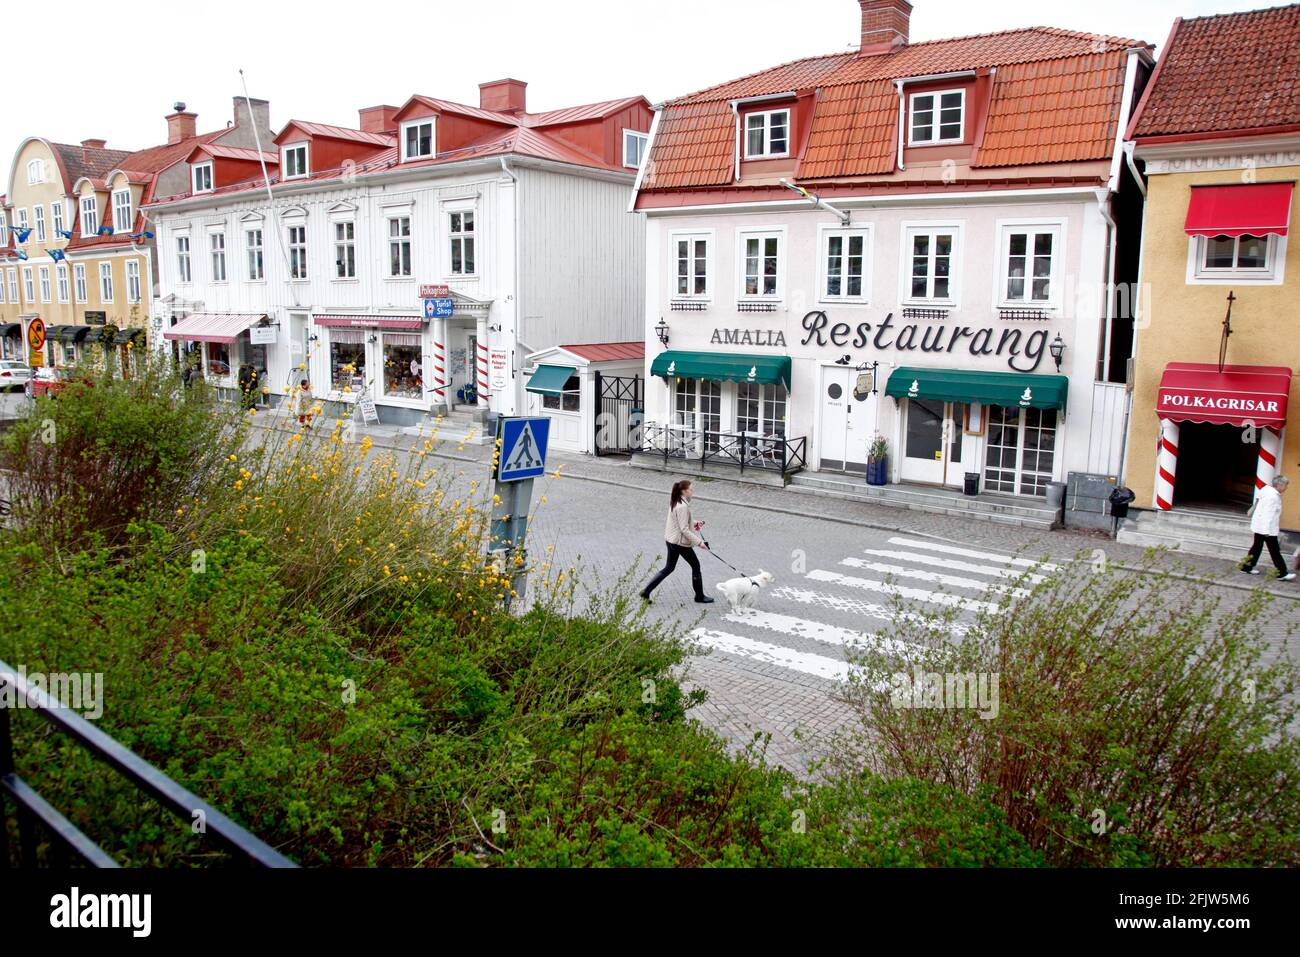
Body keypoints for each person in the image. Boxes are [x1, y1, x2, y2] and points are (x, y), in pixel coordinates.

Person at [640, 479, 715, 604]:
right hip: (680, 543)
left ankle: (646, 591)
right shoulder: (683, 506)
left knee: (669, 568)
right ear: (684, 491)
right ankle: (699, 596)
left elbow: (681, 522)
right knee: (695, 565)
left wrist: (695, 523)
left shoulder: (676, 501)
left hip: (671, 540)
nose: (693, 492)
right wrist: (700, 542)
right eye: (691, 489)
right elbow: (684, 529)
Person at [1242, 475, 1296, 580]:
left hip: (1259, 526)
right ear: (1279, 485)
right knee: (1275, 551)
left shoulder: (1266, 490)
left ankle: (1246, 567)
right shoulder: (1273, 497)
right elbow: (1267, 514)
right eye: (1285, 485)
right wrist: (1266, 530)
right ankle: (1282, 573)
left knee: (1256, 548)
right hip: (1267, 529)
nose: (1286, 487)